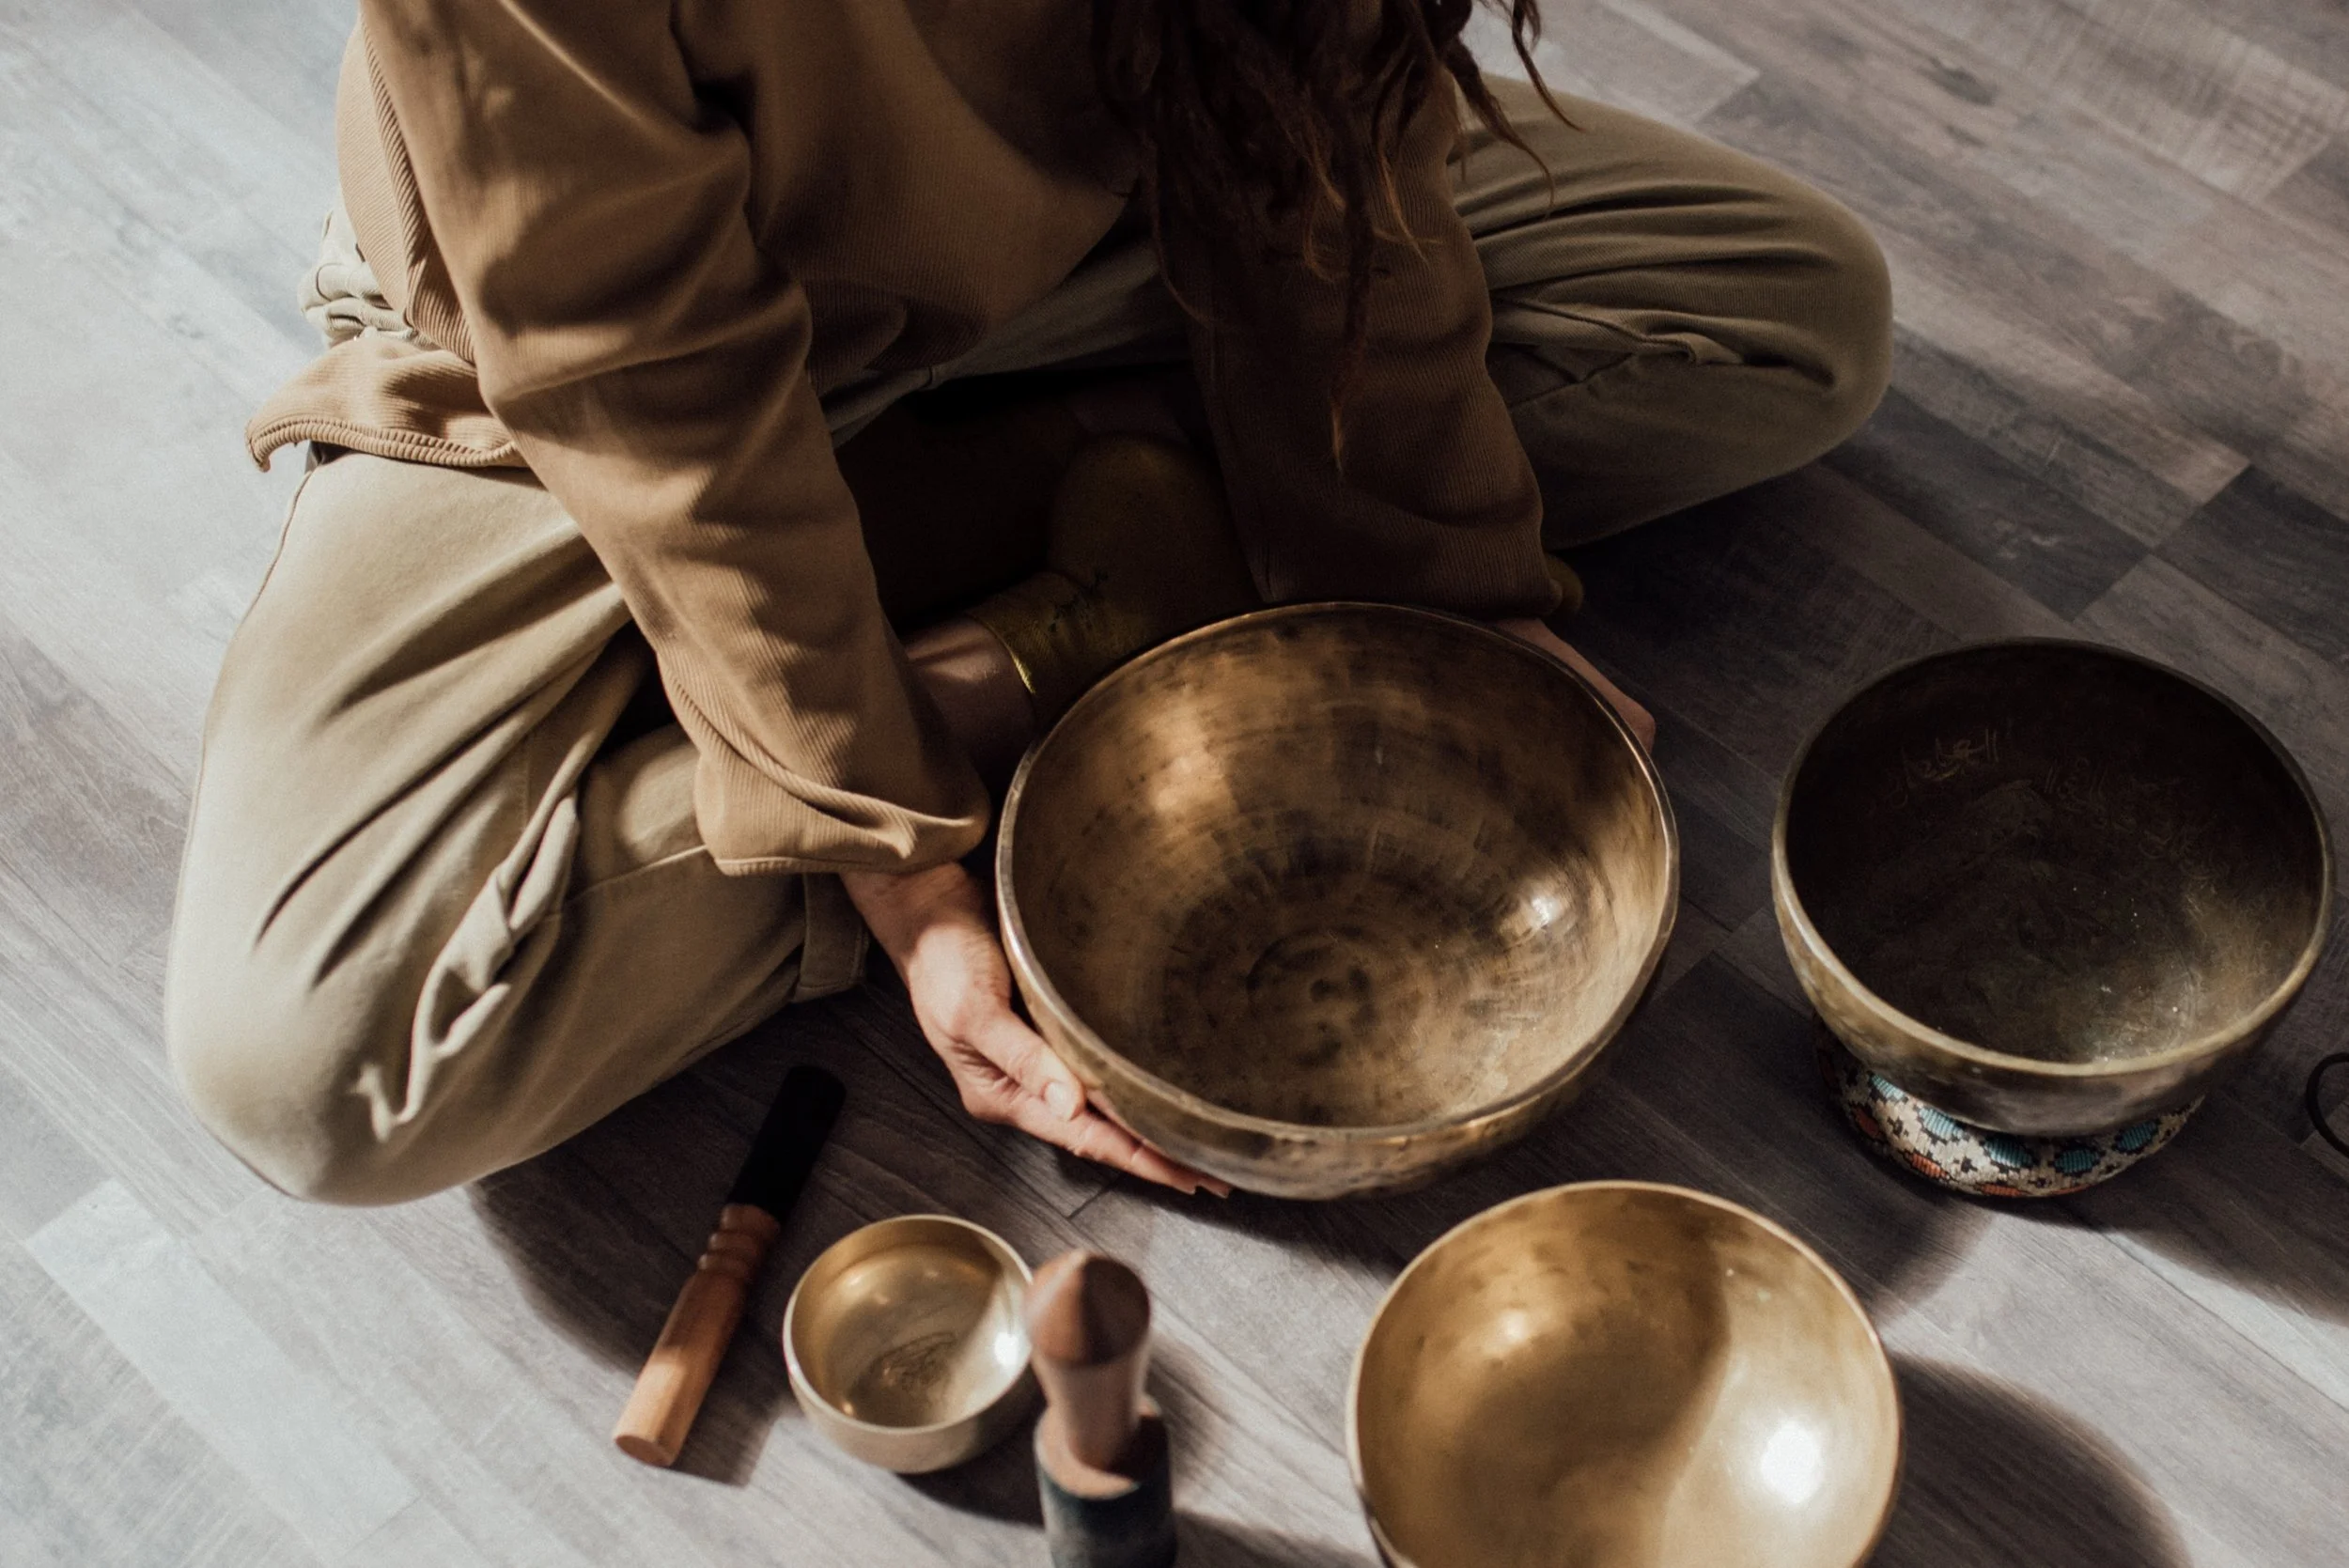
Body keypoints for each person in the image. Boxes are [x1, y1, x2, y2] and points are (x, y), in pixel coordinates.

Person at [165, 0, 1891, 1205]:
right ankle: (1078, 615)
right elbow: (647, 379)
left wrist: (1435, 588)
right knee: (320, 1063)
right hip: (580, 369)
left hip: (1097, 256)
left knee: (1783, 316)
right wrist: (889, 849)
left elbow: (1318, 122)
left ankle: (1027, 564)